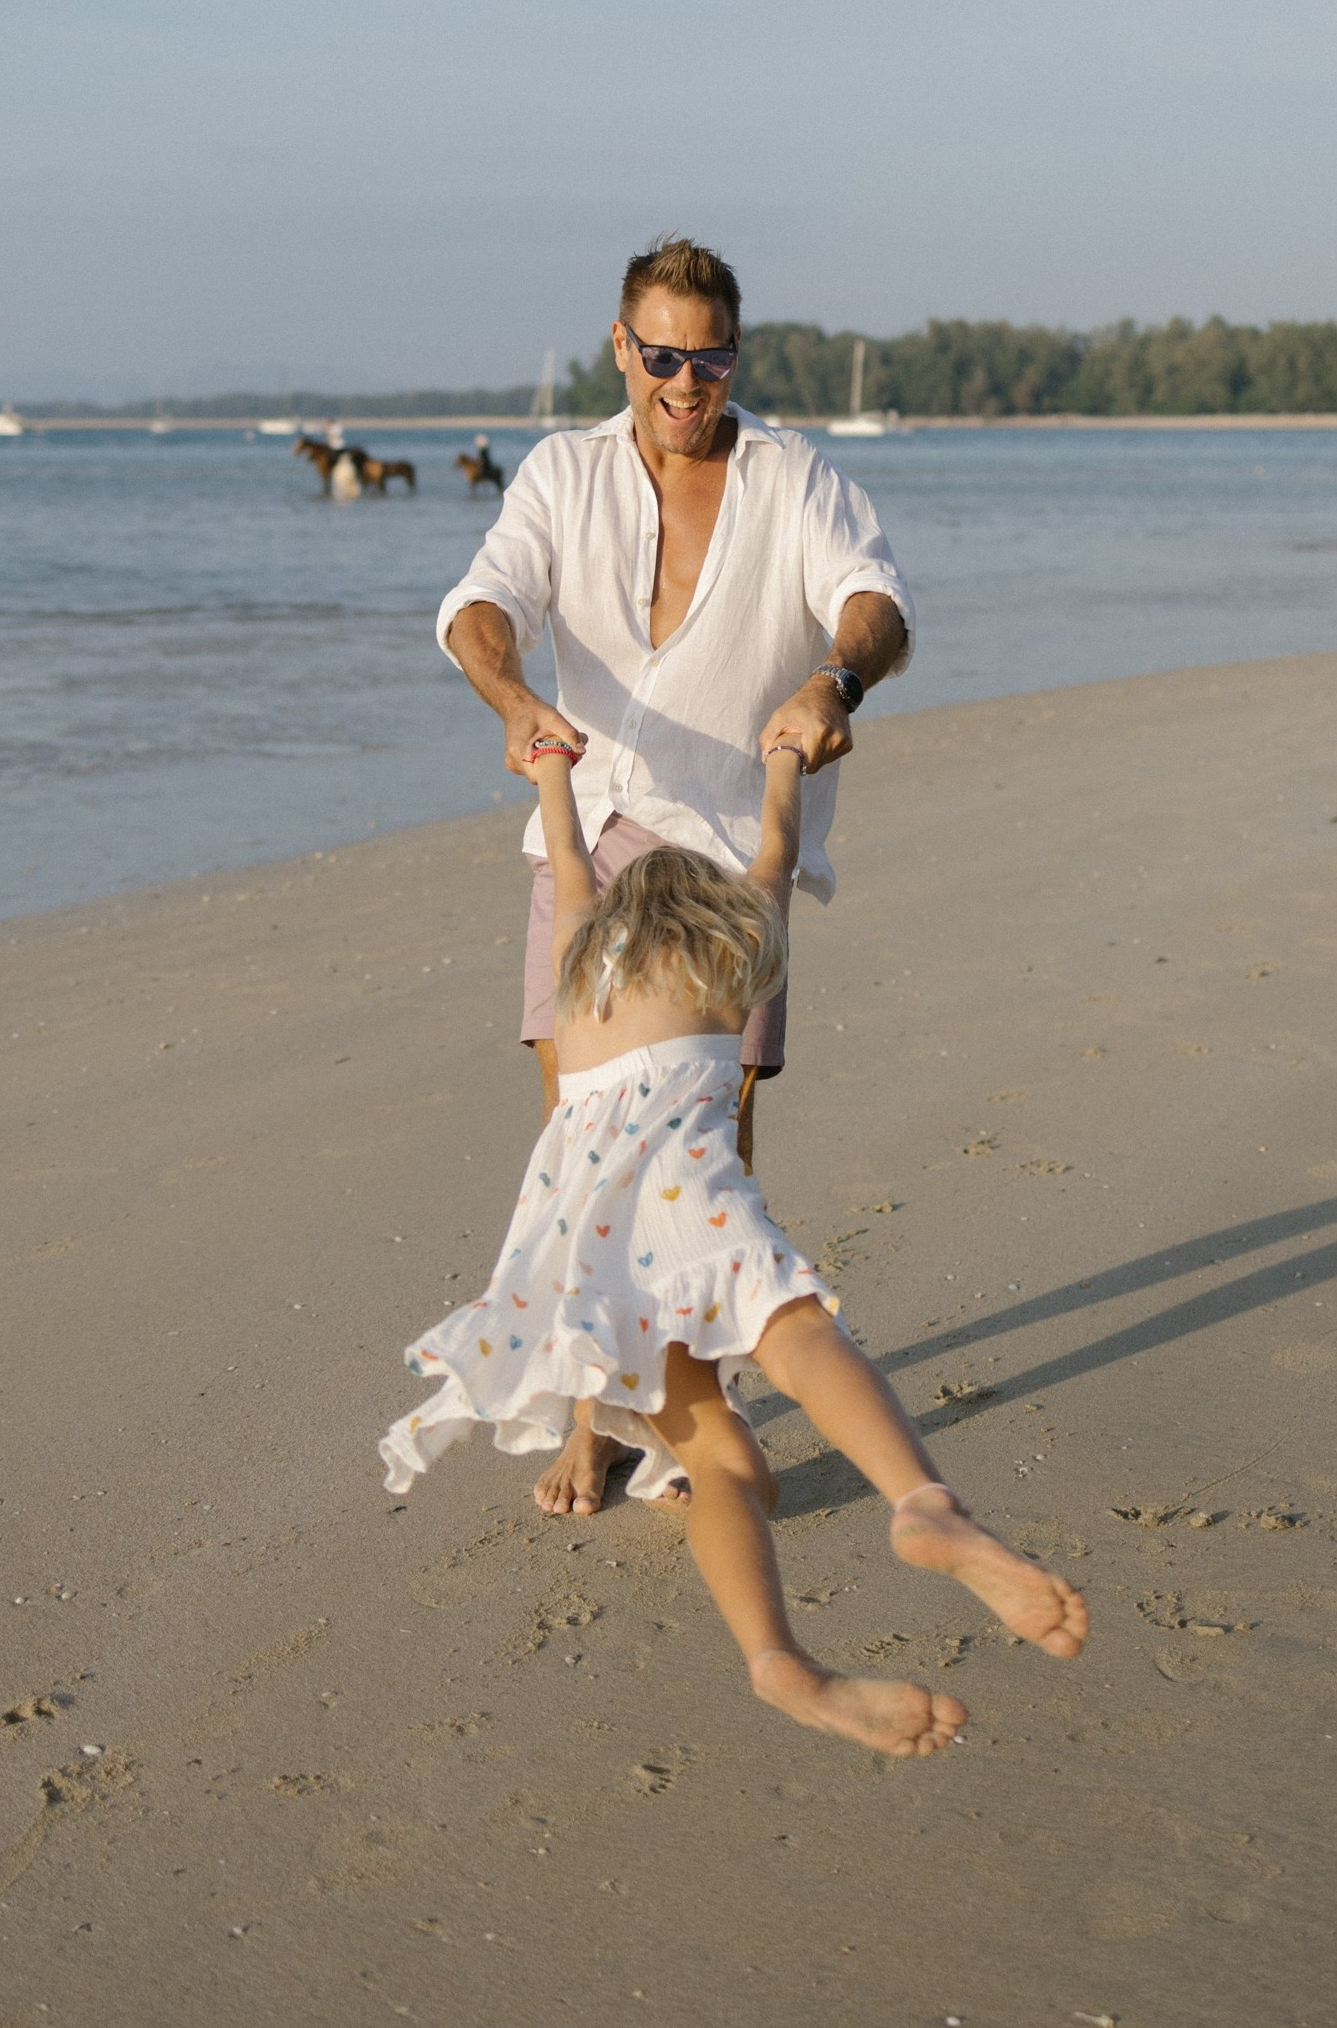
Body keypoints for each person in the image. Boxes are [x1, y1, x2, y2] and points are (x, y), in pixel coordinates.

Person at [381, 737, 1088, 1755]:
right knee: (799, 1339)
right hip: (693, 1206)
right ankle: (921, 1500)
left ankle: (774, 1659)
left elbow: (571, 858)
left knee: (722, 1463)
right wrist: (785, 764)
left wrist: (550, 767)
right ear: (716, 921)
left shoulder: (578, 967)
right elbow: (775, 852)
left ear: (614, 926)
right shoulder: (731, 956)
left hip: (590, 1251)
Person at [438, 235, 913, 1515]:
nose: (685, 385)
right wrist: (512, 698)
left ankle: (696, 1403)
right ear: (621, 347)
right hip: (591, 827)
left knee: (709, 1153)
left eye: (710, 361)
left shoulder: (793, 478)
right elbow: (481, 607)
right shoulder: (562, 471)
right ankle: (593, 1419)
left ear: (733, 357)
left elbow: (875, 601)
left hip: (726, 855)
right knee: (581, 1142)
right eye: (661, 358)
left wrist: (834, 681)